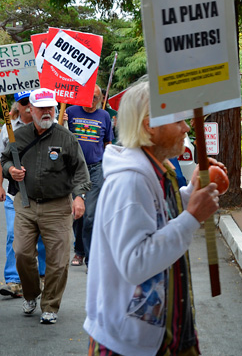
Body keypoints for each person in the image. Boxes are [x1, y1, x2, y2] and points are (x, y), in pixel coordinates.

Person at [84, 78, 221, 355]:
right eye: (178, 121)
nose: (187, 127)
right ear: (150, 125)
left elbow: (158, 217)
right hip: (132, 345)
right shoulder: (130, 182)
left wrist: (191, 192)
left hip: (164, 334)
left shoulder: (159, 169)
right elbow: (137, 263)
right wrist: (192, 216)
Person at [2, 88, 90, 325]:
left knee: (59, 260)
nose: (47, 112)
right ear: (30, 109)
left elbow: (80, 171)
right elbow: (5, 159)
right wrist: (10, 170)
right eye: (41, 108)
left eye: (50, 107)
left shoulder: (66, 137)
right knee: (21, 252)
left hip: (58, 207)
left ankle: (50, 305)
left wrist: (79, 196)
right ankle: (31, 294)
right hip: (26, 204)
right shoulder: (18, 136)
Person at [0, 91, 47, 299]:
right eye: (23, 102)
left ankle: (41, 276)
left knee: (41, 236)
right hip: (15, 194)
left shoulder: (47, 127)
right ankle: (13, 280)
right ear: (17, 105)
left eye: (31, 102)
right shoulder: (8, 130)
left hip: (41, 195)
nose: (27, 106)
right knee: (13, 235)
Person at [66, 85, 113, 267]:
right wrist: (61, 122)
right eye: (89, 97)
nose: (92, 101)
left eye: (96, 98)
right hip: (75, 169)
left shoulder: (104, 116)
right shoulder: (70, 112)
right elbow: (60, 136)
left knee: (91, 214)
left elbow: (108, 142)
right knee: (78, 212)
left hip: (95, 169)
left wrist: (109, 168)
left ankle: (90, 256)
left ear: (100, 99)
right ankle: (79, 251)